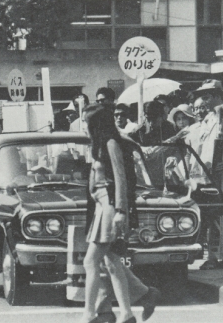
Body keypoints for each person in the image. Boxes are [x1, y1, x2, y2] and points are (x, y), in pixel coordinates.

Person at [81, 105, 158, 323]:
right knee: (112, 261)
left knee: (91, 261)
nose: (85, 126)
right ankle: (126, 313)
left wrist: (121, 211)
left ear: (96, 124)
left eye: (87, 122)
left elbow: (120, 179)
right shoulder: (99, 145)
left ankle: (89, 314)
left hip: (110, 207)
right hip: (102, 206)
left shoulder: (111, 144)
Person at [192, 79, 223, 270]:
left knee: (217, 212)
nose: (204, 101)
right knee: (213, 214)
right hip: (206, 174)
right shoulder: (209, 119)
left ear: (214, 96)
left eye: (206, 96)